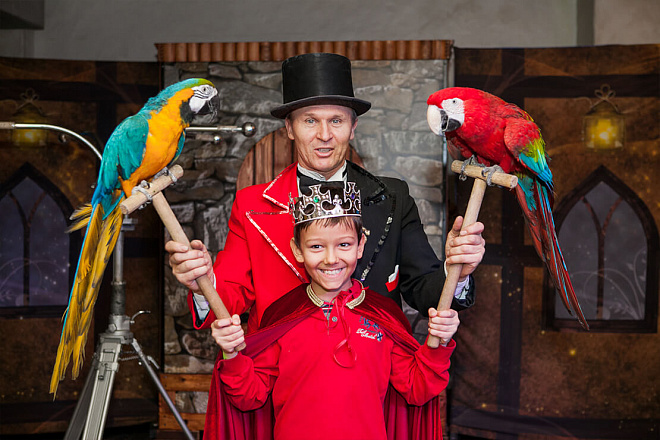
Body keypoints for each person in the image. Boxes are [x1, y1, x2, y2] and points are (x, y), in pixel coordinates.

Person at [166, 52, 485, 333]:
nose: (324, 135)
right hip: (281, 371)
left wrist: (457, 272)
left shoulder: (393, 197)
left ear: (353, 127)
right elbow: (228, 297)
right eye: (310, 121)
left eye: (336, 120)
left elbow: (424, 288)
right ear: (289, 128)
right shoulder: (251, 205)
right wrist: (202, 284)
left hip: (372, 367)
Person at [206, 183, 460, 439]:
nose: (330, 259)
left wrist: (438, 342)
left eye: (344, 245)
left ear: (360, 246)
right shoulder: (282, 317)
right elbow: (249, 396)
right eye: (316, 247)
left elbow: (418, 389)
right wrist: (232, 353)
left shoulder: (383, 316)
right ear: (297, 250)